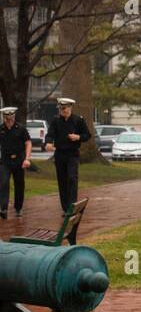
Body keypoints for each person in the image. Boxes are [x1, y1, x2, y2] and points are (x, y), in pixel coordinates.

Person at [45, 97, 91, 232]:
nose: (62, 111)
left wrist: (78, 137)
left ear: (70, 108)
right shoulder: (56, 121)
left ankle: (72, 207)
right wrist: (48, 142)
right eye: (61, 108)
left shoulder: (78, 120)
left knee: (72, 178)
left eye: (64, 108)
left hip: (72, 154)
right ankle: (65, 209)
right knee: (62, 180)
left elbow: (87, 135)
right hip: (59, 154)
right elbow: (50, 134)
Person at [0, 106, 31, 219]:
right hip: (5, 161)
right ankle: (3, 208)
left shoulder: (21, 128)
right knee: (3, 183)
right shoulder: (1, 129)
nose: (9, 120)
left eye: (11, 117)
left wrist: (27, 158)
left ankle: (18, 208)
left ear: (14, 116)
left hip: (19, 160)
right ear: (4, 117)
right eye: (7, 117)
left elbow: (28, 143)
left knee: (19, 184)